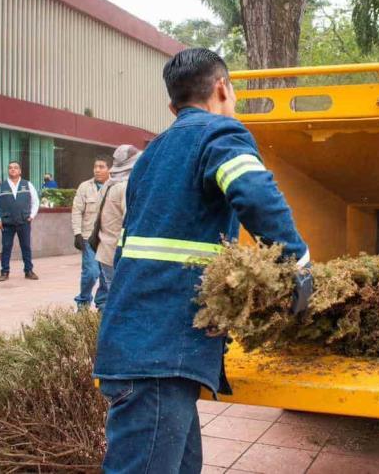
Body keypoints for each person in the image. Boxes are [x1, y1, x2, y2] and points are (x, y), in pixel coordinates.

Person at [93, 48, 312, 474]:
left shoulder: (151, 157)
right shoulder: (219, 134)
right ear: (222, 88)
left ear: (171, 106)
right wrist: (297, 262)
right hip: (159, 354)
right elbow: (252, 191)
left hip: (145, 348)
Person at [93, 145, 141, 290]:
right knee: (119, 298)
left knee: (110, 294)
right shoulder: (126, 186)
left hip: (104, 252)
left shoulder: (108, 184)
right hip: (117, 254)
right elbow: (130, 222)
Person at [72, 155, 112, 310]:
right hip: (89, 237)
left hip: (108, 239)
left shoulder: (115, 186)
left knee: (105, 275)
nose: (97, 170)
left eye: (101, 166)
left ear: (110, 169)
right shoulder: (85, 187)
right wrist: (77, 233)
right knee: (91, 272)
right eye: (95, 166)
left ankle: (102, 303)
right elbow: (76, 211)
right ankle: (83, 301)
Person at [0, 161, 39, 282]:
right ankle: (4, 271)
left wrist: (32, 215)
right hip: (7, 223)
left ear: (20, 171)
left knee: (26, 246)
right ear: (8, 170)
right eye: (10, 168)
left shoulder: (27, 184)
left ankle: (28, 271)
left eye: (15, 168)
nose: (13, 170)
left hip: (24, 221)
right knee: (6, 247)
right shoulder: (1, 186)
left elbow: (35, 201)